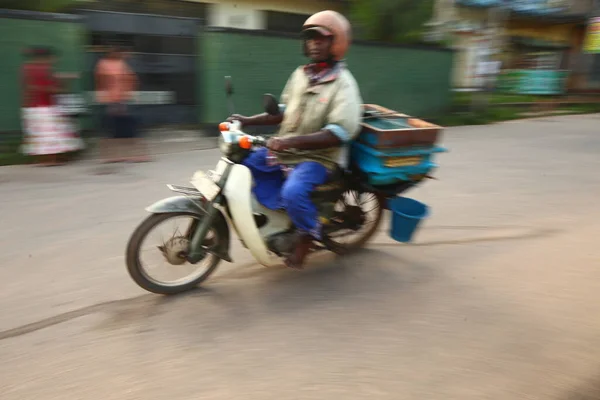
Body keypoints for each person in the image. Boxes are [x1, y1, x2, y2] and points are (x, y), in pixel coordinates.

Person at [227, 10, 363, 269]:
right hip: (286, 151)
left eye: (321, 39)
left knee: (294, 191)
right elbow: (283, 112)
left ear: (336, 43)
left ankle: (306, 238)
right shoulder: (301, 75)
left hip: (319, 159)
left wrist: (289, 143)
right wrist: (247, 120)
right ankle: (275, 221)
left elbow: (338, 133)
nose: (314, 43)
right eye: (310, 38)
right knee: (243, 165)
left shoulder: (343, 84)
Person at [21, 47, 84, 165]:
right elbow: (31, 87)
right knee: (45, 133)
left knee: (54, 132)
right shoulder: (29, 68)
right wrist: (53, 89)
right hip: (38, 106)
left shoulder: (47, 68)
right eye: (52, 58)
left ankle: (53, 158)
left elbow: (56, 84)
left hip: (50, 104)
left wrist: (65, 81)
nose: (54, 60)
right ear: (44, 57)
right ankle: (47, 159)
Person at [95, 45, 148, 165]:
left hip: (122, 99)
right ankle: (113, 156)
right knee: (114, 127)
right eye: (116, 53)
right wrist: (105, 96)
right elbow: (101, 81)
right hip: (112, 100)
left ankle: (129, 154)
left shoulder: (121, 64)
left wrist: (129, 91)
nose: (119, 55)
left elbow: (131, 78)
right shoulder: (104, 64)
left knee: (125, 127)